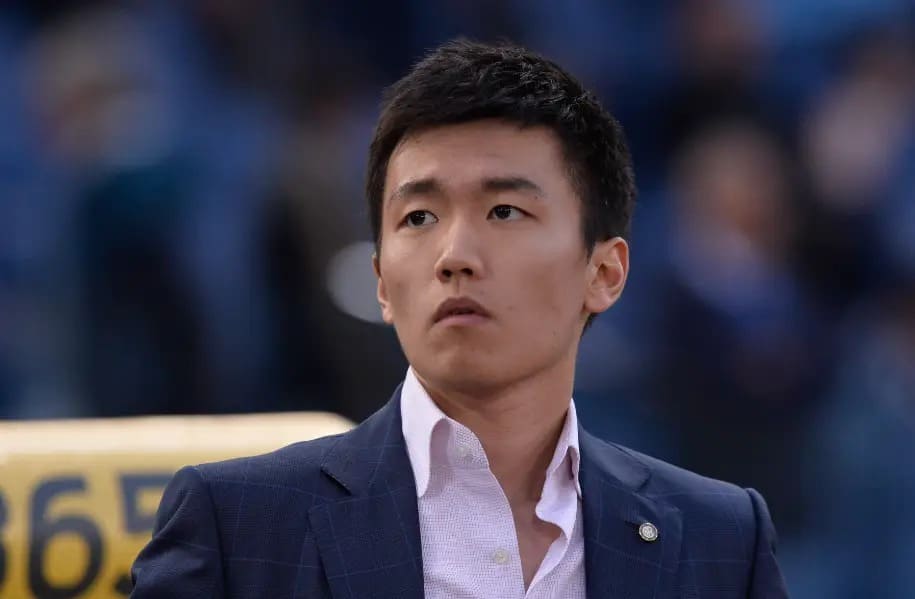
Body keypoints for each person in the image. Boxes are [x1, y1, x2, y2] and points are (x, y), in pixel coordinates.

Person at [130, 39, 788, 598]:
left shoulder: (718, 539)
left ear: (604, 273)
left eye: (504, 211)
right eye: (418, 217)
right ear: (381, 281)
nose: (454, 256)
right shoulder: (238, 528)